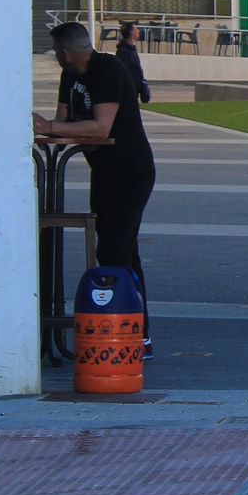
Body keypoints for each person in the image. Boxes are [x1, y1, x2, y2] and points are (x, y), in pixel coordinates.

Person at [33, 21, 158, 358]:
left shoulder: (107, 69)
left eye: (56, 53)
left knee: (115, 252)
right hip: (104, 172)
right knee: (121, 250)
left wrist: (51, 126)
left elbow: (101, 128)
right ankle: (137, 333)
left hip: (130, 170)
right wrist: (46, 129)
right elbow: (64, 122)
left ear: (64, 52)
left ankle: (132, 335)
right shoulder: (70, 76)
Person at [115, 22, 152, 104]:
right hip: (128, 91)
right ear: (132, 33)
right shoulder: (123, 52)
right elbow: (121, 72)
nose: (138, 31)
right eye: (136, 29)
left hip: (134, 90)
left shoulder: (132, 50)